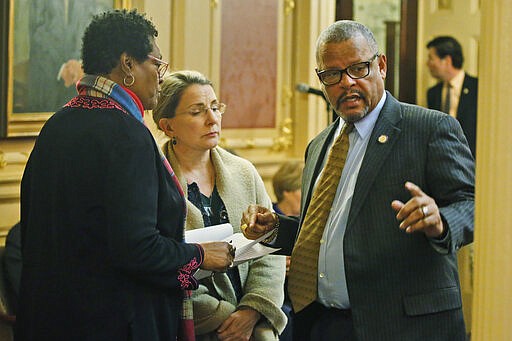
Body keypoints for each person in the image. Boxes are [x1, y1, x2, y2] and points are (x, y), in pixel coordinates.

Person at [241, 20, 474, 341]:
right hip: (324, 324)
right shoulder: (319, 145)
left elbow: (472, 205)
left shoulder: (429, 129)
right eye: (332, 75)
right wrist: (276, 229)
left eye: (358, 68)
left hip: (402, 326)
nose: (346, 82)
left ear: (381, 66)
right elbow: (324, 236)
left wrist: (441, 221)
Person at [17, 10, 233, 340]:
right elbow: (138, 248)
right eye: (157, 64)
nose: (162, 76)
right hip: (113, 321)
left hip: (52, 318)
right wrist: (201, 255)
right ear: (128, 64)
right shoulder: (126, 134)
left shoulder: (56, 125)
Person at [152, 70, 287, 341]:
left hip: (254, 326)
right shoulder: (153, 180)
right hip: (192, 327)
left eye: (215, 107)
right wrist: (226, 318)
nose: (212, 119)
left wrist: (252, 310)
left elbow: (270, 249)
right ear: (168, 126)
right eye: (197, 111)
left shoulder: (244, 172)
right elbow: (158, 263)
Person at [426, 36, 478, 156]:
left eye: (431, 59)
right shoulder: (433, 93)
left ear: (447, 61)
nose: (427, 64)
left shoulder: (477, 88)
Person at [271, 161, 303, 341]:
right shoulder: (267, 218)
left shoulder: (309, 220)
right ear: (287, 191)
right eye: (303, 188)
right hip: (277, 294)